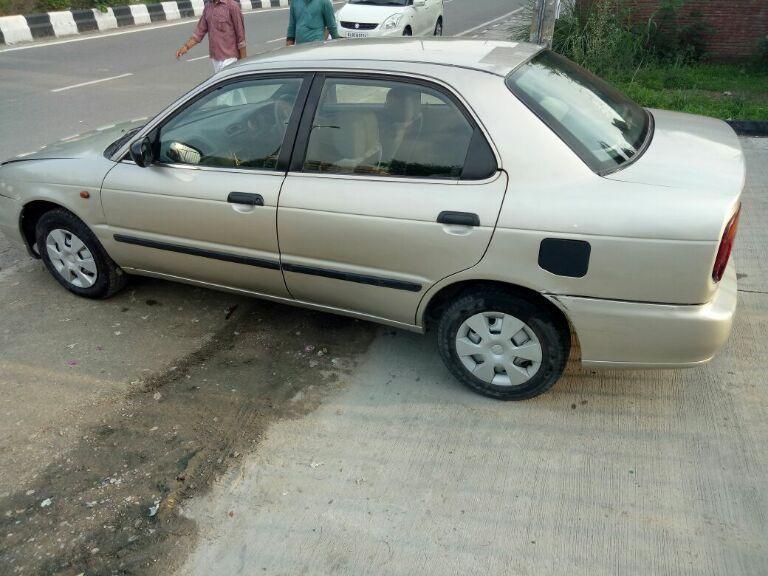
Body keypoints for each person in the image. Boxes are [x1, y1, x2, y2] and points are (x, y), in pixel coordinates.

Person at [176, 0, 246, 73]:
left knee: (227, 79)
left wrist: (243, 63)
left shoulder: (232, 6)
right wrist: (186, 47)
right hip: (215, 59)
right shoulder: (208, 7)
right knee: (219, 80)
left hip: (230, 58)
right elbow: (199, 32)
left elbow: (241, 37)